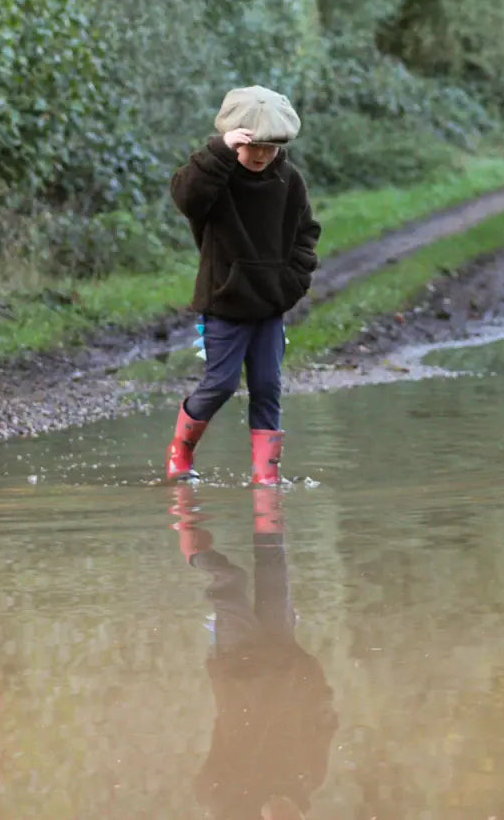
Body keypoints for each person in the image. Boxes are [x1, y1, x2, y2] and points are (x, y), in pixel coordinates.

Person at [166, 85, 321, 484]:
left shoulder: (290, 181)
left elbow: (307, 234)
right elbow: (186, 198)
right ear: (236, 139)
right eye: (252, 146)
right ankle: (180, 455)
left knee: (268, 386)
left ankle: (266, 476)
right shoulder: (216, 176)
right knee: (219, 384)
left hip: (269, 306)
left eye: (270, 147)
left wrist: (291, 282)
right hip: (223, 304)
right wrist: (218, 151)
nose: (260, 155)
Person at [169, 484, 338, 820]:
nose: (287, 814)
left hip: (239, 664)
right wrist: (308, 678)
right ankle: (266, 495)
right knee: (274, 564)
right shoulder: (309, 779)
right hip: (283, 653)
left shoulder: (232, 802)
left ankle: (184, 518)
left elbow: (204, 785)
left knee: (228, 580)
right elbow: (326, 720)